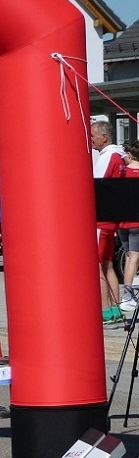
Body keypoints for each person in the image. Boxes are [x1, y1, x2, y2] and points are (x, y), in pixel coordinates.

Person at [93, 120, 126, 325]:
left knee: (97, 266)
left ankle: (105, 310)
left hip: (101, 219)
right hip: (112, 217)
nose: (91, 140)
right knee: (108, 265)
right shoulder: (120, 156)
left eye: (93, 136)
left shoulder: (107, 157)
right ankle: (115, 308)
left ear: (104, 137)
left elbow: (96, 186)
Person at [119, 141, 139, 314]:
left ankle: (127, 292)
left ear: (130, 155)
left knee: (128, 256)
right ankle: (128, 294)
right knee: (134, 257)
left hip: (122, 220)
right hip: (137, 221)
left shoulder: (122, 172)